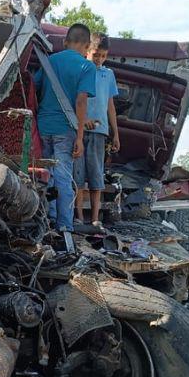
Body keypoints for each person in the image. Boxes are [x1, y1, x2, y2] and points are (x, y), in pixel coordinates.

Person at [34, 23, 96, 232]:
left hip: (43, 126)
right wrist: (80, 137)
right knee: (63, 176)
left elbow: (34, 88)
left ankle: (48, 219)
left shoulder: (49, 62)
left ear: (65, 42)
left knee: (46, 175)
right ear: (87, 46)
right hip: (65, 130)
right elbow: (81, 101)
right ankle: (64, 226)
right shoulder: (87, 67)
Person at [74, 32, 120, 227]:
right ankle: (78, 217)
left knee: (95, 177)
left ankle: (94, 219)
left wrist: (115, 133)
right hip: (78, 131)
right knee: (77, 177)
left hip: (100, 132)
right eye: (96, 55)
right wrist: (82, 122)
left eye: (103, 55)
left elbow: (110, 105)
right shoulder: (79, 69)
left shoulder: (108, 74)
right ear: (87, 51)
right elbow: (74, 100)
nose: (99, 59)